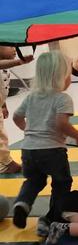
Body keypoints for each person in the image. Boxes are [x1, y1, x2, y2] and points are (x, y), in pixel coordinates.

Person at [11, 51, 78, 237]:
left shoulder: (31, 96)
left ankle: (23, 203)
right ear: (62, 77)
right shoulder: (62, 98)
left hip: (28, 149)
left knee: (34, 180)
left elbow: (16, 116)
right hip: (52, 150)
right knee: (62, 183)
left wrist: (28, 130)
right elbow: (61, 124)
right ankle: (53, 218)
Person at [0, 46, 33, 174]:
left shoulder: (5, 68)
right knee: (1, 135)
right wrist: (19, 61)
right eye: (9, 46)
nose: (14, 49)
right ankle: (6, 163)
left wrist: (3, 105)